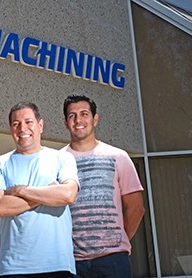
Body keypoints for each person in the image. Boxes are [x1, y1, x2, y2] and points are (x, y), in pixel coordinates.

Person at [0, 101, 79, 278]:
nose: (22, 128)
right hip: (13, 268)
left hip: (58, 265)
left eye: (28, 122)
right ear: (10, 129)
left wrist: (20, 190)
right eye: (16, 124)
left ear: (40, 125)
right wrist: (49, 194)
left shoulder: (62, 158)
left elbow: (67, 195)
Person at [62, 94, 145, 278]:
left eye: (84, 114)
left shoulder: (118, 156)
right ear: (66, 123)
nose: (78, 120)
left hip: (113, 261)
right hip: (72, 262)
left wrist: (117, 242)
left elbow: (136, 207)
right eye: (72, 116)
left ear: (95, 119)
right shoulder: (56, 160)